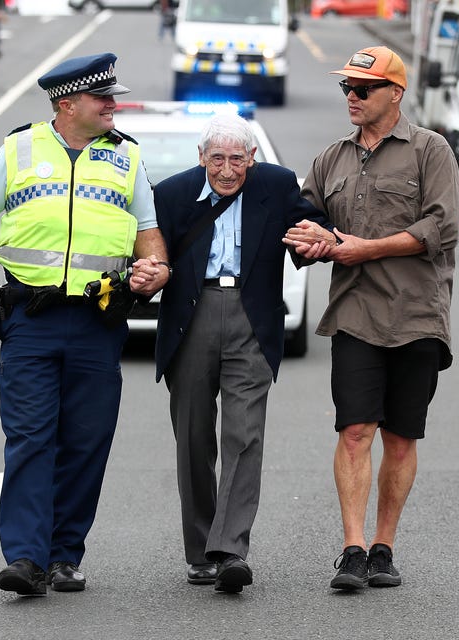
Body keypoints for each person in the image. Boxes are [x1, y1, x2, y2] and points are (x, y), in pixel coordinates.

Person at [0, 53, 170, 596]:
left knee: (86, 439)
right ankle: (26, 558)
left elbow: (150, 234)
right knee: (29, 436)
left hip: (98, 320)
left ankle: (64, 554)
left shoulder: (127, 158)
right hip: (30, 317)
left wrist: (156, 271)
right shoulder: (18, 148)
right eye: (104, 99)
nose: (113, 105)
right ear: (68, 104)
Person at [284, 46, 459, 590]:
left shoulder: (431, 151)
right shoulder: (330, 159)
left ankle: (384, 545)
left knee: (401, 438)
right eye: (346, 88)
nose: (352, 97)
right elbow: (303, 220)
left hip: (416, 317)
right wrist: (309, 238)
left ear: (395, 93)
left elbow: (440, 228)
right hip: (355, 316)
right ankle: (353, 548)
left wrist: (367, 249)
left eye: (363, 89)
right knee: (356, 430)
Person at [153, 113, 332, 593]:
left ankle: (230, 549)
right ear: (201, 158)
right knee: (192, 436)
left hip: (251, 318)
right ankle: (199, 552)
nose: (227, 170)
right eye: (217, 159)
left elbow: (311, 224)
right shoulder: (171, 194)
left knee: (244, 433)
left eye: (237, 159)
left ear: (252, 159)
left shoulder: (274, 185)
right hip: (193, 316)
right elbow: (149, 253)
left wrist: (317, 239)